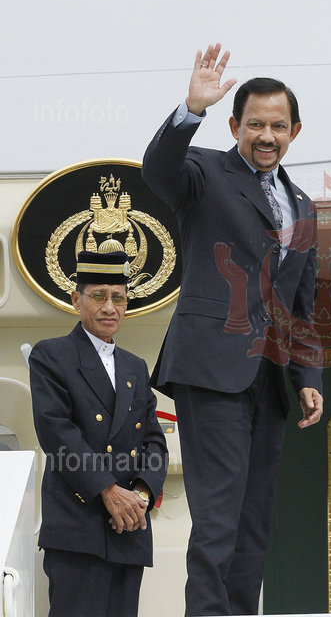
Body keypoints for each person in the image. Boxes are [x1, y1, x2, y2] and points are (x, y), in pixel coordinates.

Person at [142, 43, 323, 616]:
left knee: (252, 523)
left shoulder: (303, 205)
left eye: (277, 126)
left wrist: (308, 378)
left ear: (294, 131)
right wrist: (190, 110)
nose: (266, 136)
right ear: (234, 126)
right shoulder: (203, 172)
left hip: (269, 378)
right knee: (217, 521)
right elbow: (158, 169)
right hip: (212, 369)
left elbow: (300, 305)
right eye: (255, 125)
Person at [29, 250, 168, 617]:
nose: (110, 307)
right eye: (99, 296)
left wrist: (140, 495)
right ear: (77, 300)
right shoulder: (52, 356)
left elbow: (154, 442)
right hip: (78, 524)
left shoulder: (135, 367)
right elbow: (57, 433)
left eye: (118, 298)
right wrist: (108, 490)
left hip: (129, 526)